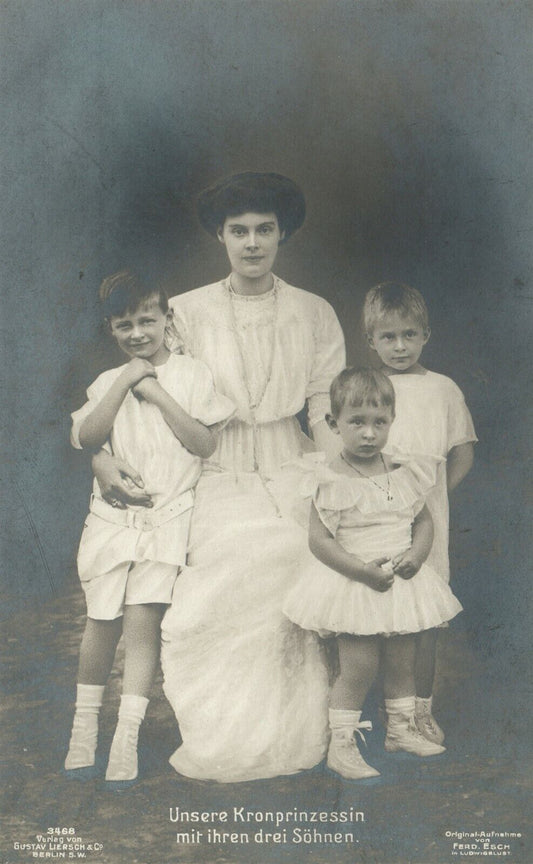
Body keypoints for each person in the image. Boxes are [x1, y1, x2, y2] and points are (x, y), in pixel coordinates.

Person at [93, 172, 346, 781]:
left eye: (265, 230)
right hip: (209, 471)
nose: (252, 243)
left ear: (283, 235)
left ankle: (317, 732)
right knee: (214, 584)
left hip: (291, 464)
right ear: (220, 236)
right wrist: (100, 457)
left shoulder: (314, 311)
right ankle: (224, 736)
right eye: (239, 231)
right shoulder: (184, 312)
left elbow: (323, 407)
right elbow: (136, 396)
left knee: (296, 555)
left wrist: (341, 479)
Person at [65, 271, 234, 783]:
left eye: (147, 320)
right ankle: (84, 730)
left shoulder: (192, 375)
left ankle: (126, 737)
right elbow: (89, 435)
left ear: (167, 318)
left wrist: (157, 394)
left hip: (166, 519)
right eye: (124, 325)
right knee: (100, 621)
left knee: (143, 624)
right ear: (110, 329)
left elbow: (204, 445)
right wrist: (125, 379)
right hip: (113, 519)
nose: (137, 333)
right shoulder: (103, 383)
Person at [283, 368, 463, 780]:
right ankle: (342, 745)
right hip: (356, 583)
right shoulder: (327, 479)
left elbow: (423, 521)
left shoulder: (404, 471)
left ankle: (400, 730)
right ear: (333, 424)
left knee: (403, 662)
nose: (368, 433)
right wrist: (362, 571)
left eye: (379, 422)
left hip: (400, 580)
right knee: (359, 667)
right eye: (356, 422)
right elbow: (321, 542)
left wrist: (417, 556)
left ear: (392, 420)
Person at [363, 282, 476, 744]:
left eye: (409, 335)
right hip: (376, 516)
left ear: (426, 334)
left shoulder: (443, 388)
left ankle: (421, 713)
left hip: (427, 516)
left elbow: (463, 452)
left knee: (425, 616)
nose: (400, 346)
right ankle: (384, 715)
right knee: (378, 612)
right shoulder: (368, 387)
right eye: (388, 337)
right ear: (371, 340)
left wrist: (430, 499)